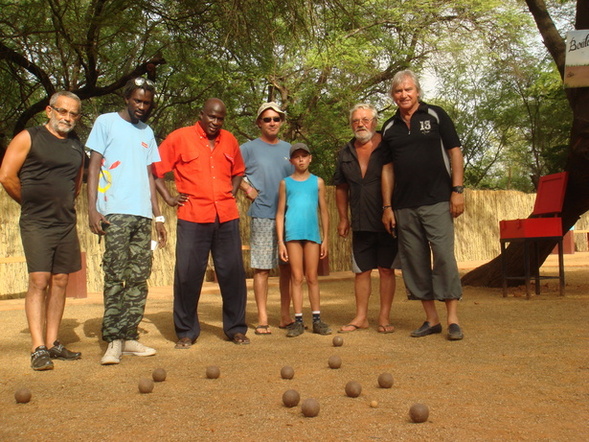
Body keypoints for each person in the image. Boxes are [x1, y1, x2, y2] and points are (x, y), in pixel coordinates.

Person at [153, 98, 250, 348]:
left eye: (220, 119)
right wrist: (169, 197)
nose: (215, 123)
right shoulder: (179, 138)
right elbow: (155, 171)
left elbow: (238, 170)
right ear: (202, 114)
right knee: (187, 274)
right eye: (211, 117)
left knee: (232, 274)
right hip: (193, 216)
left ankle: (236, 329)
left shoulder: (229, 140)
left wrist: (232, 191)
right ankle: (186, 331)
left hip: (226, 216)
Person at [0, 91, 85, 371]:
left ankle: (52, 343)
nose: (67, 118)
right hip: (36, 222)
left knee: (60, 280)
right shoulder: (29, 137)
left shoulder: (75, 145)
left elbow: (77, 183)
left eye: (73, 114)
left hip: (65, 222)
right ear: (49, 110)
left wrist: (62, 204)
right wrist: (30, 202)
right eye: (63, 111)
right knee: (39, 280)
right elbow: (6, 175)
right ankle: (37, 347)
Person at [86, 77, 167, 365]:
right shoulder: (105, 122)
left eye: (146, 102)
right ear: (126, 98)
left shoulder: (148, 132)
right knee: (115, 274)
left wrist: (157, 216)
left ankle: (130, 336)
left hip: (142, 214)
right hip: (115, 212)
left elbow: (150, 175)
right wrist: (93, 209)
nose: (142, 107)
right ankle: (113, 340)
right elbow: (93, 165)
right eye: (137, 101)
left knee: (138, 276)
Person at [381, 69, 465, 341]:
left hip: (438, 200)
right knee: (414, 263)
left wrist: (457, 190)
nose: (404, 95)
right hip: (404, 206)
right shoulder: (389, 127)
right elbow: (387, 169)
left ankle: (453, 320)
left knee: (443, 255)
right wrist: (387, 207)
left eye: (408, 89)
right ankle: (431, 320)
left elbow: (455, 152)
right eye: (398, 91)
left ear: (417, 91)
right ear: (393, 96)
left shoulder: (436, 115)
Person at [333, 103, 398, 334]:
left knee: (386, 269)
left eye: (365, 119)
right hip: (360, 221)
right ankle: (361, 317)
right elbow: (341, 188)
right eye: (356, 121)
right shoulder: (345, 152)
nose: (361, 124)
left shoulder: (388, 146)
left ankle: (383, 317)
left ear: (375, 122)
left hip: (386, 220)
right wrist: (343, 218)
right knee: (361, 271)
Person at [240, 102, 294, 335]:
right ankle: (262, 318)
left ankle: (284, 315)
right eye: (267, 119)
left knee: (288, 268)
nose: (272, 123)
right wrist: (247, 189)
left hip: (289, 217)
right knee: (261, 269)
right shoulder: (248, 149)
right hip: (262, 214)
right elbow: (232, 173)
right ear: (259, 123)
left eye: (276, 119)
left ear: (281, 122)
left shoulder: (290, 149)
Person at [276, 143, 331, 337]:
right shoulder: (285, 183)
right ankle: (298, 320)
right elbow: (280, 212)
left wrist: (326, 239)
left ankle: (317, 319)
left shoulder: (318, 182)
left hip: (312, 235)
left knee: (312, 277)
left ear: (310, 158)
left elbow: (324, 211)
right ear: (291, 160)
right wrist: (281, 241)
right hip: (292, 235)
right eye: (296, 156)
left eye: (304, 156)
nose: (300, 159)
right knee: (296, 278)